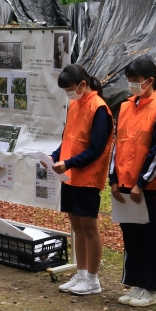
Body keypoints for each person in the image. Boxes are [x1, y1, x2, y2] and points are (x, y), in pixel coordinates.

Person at [109, 56, 156, 308]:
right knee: (131, 235)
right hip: (124, 183)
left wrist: (142, 182)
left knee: (151, 237)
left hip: (149, 187)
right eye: (130, 80)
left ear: (150, 81)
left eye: (136, 80)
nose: (132, 85)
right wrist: (114, 178)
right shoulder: (125, 106)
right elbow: (119, 143)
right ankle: (136, 283)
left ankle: (153, 288)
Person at [50, 65, 113, 296]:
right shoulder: (75, 104)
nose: (68, 93)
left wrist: (69, 162)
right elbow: (68, 139)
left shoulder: (99, 108)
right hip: (70, 176)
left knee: (89, 227)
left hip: (87, 176)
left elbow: (96, 148)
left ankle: (93, 279)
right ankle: (82, 273)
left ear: (82, 84)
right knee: (76, 225)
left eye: (70, 88)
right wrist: (54, 157)